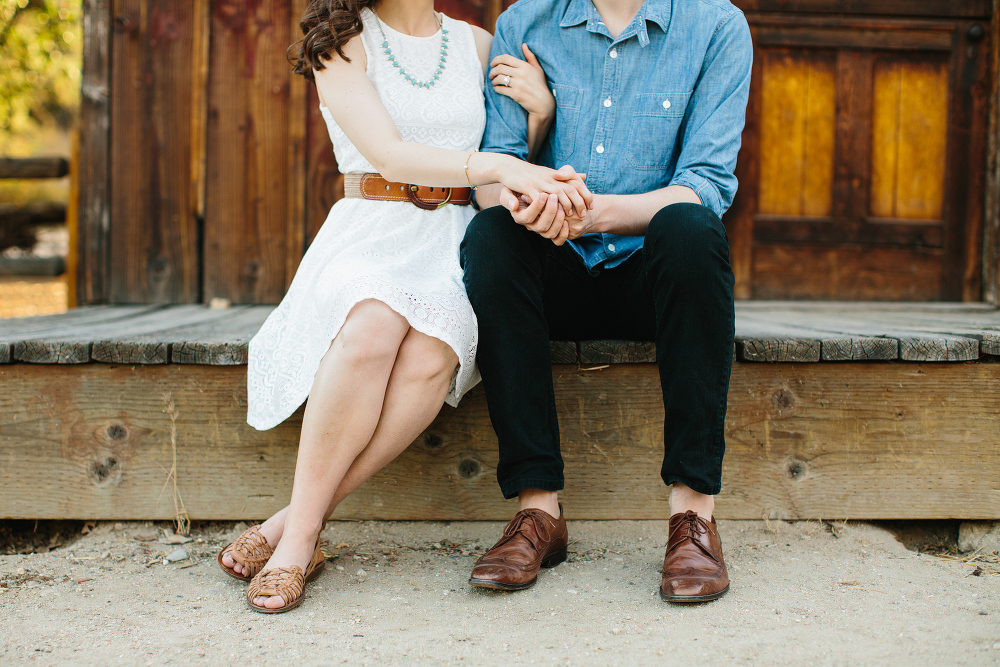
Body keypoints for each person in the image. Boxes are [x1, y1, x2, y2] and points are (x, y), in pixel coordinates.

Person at [219, 0, 592, 613]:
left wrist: (540, 117)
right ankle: (299, 544)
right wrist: (501, 162)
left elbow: (495, 174)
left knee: (430, 354)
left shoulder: (477, 44)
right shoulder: (338, 41)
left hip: (452, 236)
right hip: (373, 228)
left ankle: (292, 521)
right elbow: (389, 155)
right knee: (372, 325)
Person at [461, 0, 752, 602]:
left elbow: (706, 182)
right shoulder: (525, 22)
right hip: (554, 269)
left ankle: (693, 517)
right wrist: (529, 205)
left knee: (694, 231)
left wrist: (590, 211)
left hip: (651, 278)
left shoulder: (716, 26)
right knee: (489, 236)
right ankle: (538, 509)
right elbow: (492, 175)